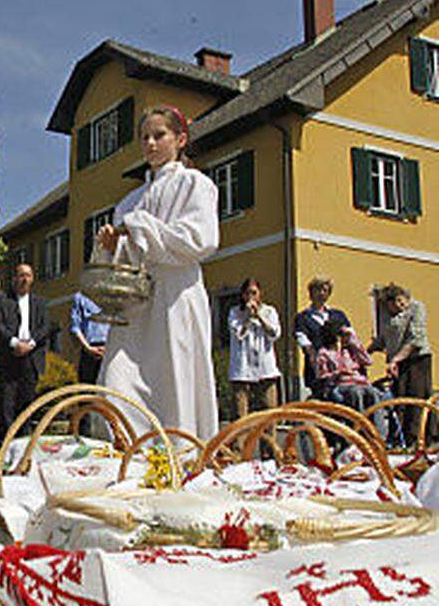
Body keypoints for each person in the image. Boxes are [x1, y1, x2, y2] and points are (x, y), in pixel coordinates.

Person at [96, 105, 219, 439]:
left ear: (180, 139)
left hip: (175, 295)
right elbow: (123, 261)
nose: (150, 143)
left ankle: (179, 451)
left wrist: (137, 226)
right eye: (144, 137)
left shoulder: (196, 185)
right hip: (137, 304)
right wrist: (111, 246)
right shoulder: (129, 200)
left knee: (174, 378)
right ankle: (129, 452)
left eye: (159, 135)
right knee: (115, 380)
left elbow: (199, 240)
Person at [0, 263, 48, 439]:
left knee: (27, 403)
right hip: (9, 358)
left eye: (28, 275)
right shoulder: (3, 300)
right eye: (21, 275)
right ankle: (5, 445)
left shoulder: (40, 303)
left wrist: (30, 344)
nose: (24, 279)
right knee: (6, 404)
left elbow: (44, 327)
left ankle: (23, 444)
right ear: (14, 278)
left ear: (32, 279)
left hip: (31, 358)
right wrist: (15, 343)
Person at [370, 284, 433, 445]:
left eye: (401, 300)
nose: (400, 305)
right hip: (397, 363)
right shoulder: (386, 314)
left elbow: (415, 339)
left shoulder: (416, 308)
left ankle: (417, 441)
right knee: (399, 401)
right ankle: (399, 440)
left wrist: (396, 360)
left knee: (415, 399)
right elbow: (383, 338)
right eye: (395, 302)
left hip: (416, 361)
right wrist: (366, 351)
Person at [315, 319, 387, 437]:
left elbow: (368, 360)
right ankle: (360, 430)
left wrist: (354, 341)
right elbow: (322, 376)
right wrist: (338, 372)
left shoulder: (350, 350)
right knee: (356, 393)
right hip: (341, 384)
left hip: (359, 382)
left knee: (372, 393)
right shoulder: (324, 353)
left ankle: (379, 435)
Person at [227, 277, 282, 419]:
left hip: (266, 370)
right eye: (247, 293)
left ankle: (268, 441)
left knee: (268, 413)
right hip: (242, 370)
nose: (250, 297)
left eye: (254, 293)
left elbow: (274, 334)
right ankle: (240, 441)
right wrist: (248, 318)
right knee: (240, 414)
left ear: (260, 293)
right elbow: (238, 334)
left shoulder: (270, 311)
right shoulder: (235, 313)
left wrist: (259, 317)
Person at [293, 276, 351, 399]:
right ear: (311, 293)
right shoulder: (303, 318)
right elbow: (303, 340)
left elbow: (350, 337)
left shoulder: (338, 315)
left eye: (325, 290)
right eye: (317, 290)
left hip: (340, 366)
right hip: (317, 369)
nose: (321, 293)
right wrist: (315, 357)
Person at [69, 291, 110, 386]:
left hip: (109, 349)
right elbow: (75, 327)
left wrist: (110, 348)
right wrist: (88, 348)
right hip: (89, 349)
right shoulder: (80, 297)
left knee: (111, 391)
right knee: (87, 390)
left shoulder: (111, 295)